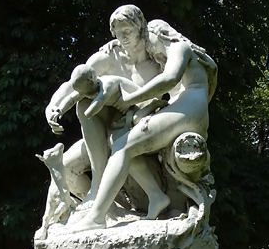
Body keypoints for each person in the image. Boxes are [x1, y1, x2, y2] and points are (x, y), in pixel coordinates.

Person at [71, 18, 217, 232]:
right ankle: (156, 198)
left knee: (123, 147)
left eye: (150, 40)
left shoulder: (179, 47)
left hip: (189, 110)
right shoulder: (189, 57)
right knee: (128, 143)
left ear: (160, 34)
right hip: (190, 109)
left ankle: (96, 217)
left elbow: (169, 79)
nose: (151, 49)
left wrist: (130, 100)